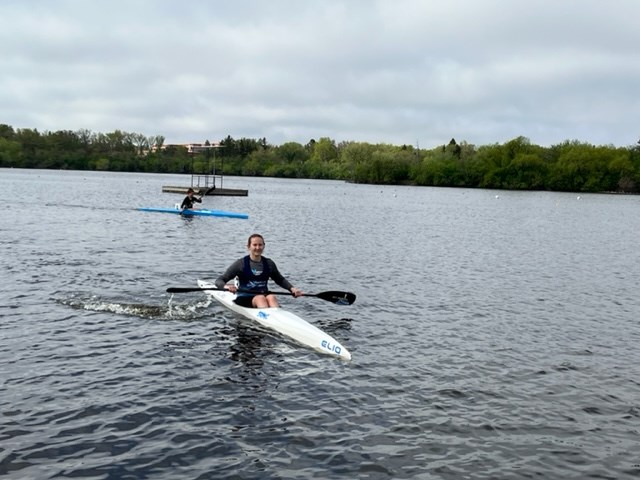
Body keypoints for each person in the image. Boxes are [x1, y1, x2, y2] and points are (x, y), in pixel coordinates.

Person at [215, 233, 303, 308]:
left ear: (264, 246)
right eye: (255, 245)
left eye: (260, 245)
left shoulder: (269, 263)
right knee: (260, 298)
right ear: (248, 247)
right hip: (245, 298)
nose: (258, 247)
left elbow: (280, 280)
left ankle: (276, 317)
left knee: (272, 297)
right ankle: (268, 320)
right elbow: (219, 280)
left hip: (263, 295)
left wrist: (292, 289)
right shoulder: (240, 264)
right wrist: (226, 287)